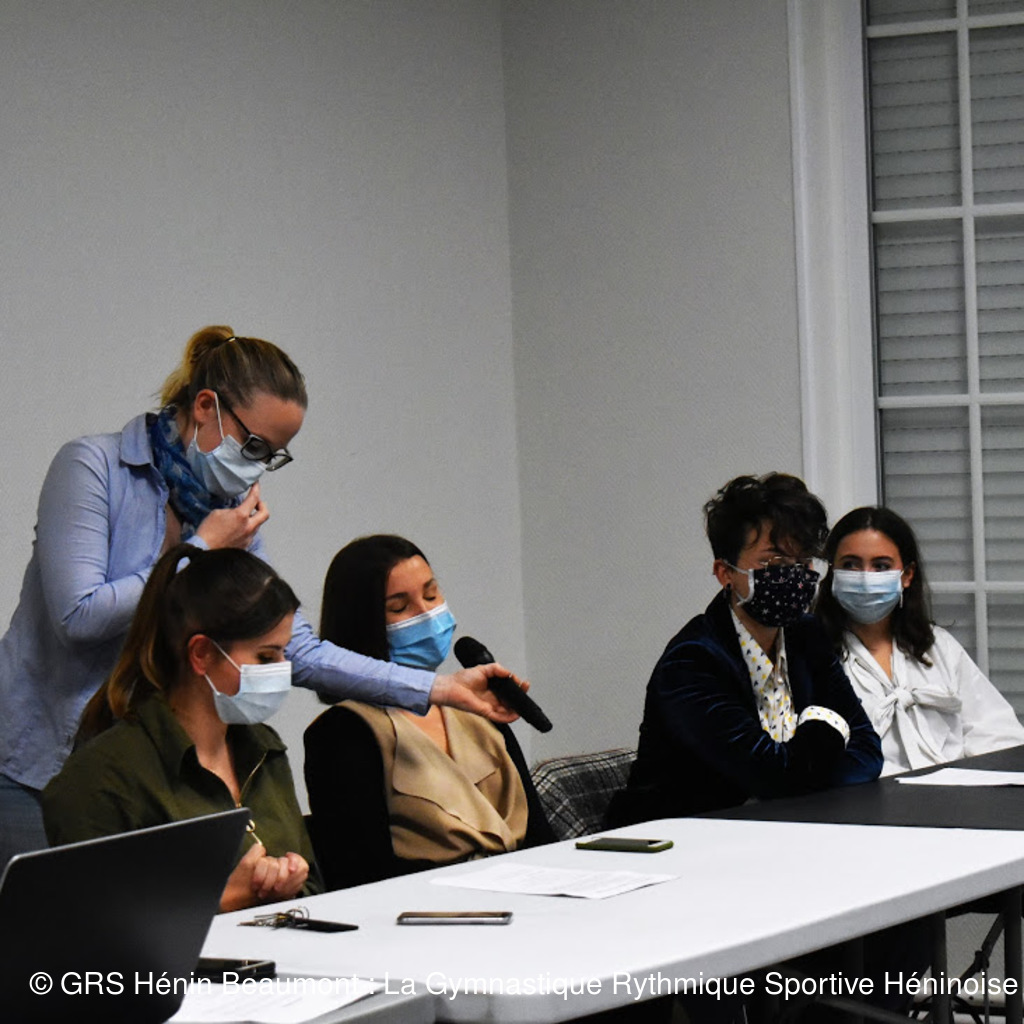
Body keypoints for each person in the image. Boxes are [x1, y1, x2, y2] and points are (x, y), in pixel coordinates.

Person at [0, 326, 517, 868]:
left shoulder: (228, 510)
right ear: (205, 407)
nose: (253, 467)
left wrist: (441, 688)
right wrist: (201, 548)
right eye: (252, 446)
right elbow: (77, 616)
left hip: (145, 766)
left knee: (147, 918)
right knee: (47, 920)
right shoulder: (93, 467)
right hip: (32, 761)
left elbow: (297, 649)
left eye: (271, 456)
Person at [43, 545, 317, 912]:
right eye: (266, 657)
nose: (282, 670)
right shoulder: (102, 777)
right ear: (201, 653)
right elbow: (92, 927)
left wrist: (290, 883)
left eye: (284, 653)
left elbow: (316, 889)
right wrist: (223, 900)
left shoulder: (264, 749)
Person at [610, 473, 882, 826]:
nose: (794, 576)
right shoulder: (692, 661)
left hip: (785, 829)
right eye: (775, 563)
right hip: (682, 840)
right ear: (725, 572)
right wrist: (827, 726)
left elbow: (868, 752)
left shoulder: (806, 635)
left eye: (803, 563)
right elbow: (774, 777)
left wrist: (808, 774)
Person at [304, 535, 554, 890]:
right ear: (361, 624)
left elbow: (540, 835)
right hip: (427, 909)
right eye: (399, 607)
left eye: (432, 595)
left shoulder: (476, 708)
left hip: (529, 894)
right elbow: (361, 876)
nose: (426, 614)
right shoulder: (344, 731)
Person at [816, 505, 1024, 775]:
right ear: (832, 571)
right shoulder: (813, 656)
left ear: (907, 575)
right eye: (850, 565)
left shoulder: (938, 647)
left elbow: (998, 734)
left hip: (956, 794)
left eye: (881, 566)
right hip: (866, 797)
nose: (866, 578)